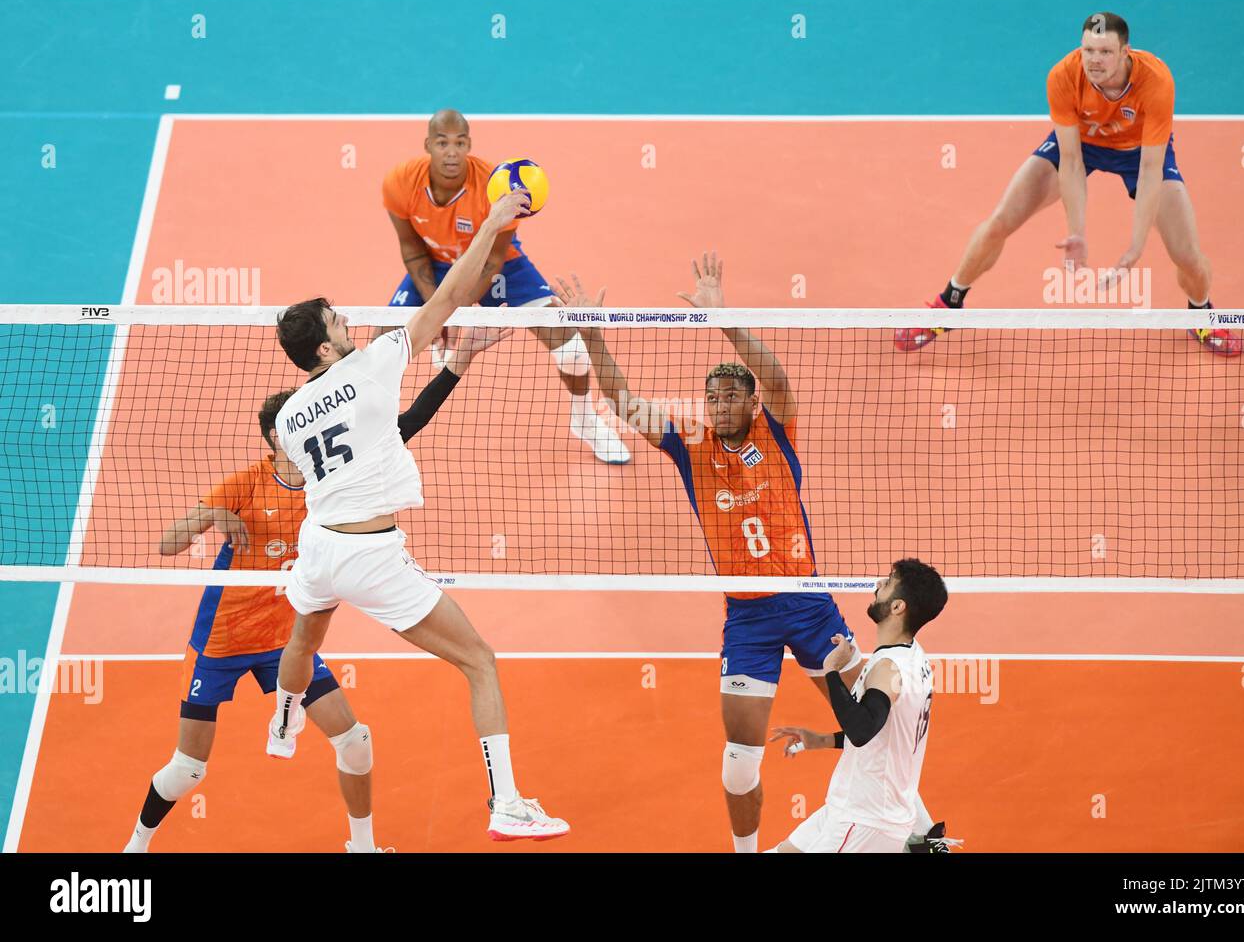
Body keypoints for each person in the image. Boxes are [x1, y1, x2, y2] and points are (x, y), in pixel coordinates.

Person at [124, 324, 508, 853]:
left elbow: (409, 422)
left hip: (286, 644)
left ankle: (362, 846)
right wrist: (214, 515)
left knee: (356, 741)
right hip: (222, 643)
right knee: (188, 770)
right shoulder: (245, 484)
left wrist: (457, 362)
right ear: (280, 438)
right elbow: (168, 543)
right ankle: (136, 846)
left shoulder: (335, 483)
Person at [270, 189, 568, 842]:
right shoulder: (373, 364)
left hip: (317, 546)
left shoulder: (290, 417)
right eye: (335, 321)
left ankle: (285, 719)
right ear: (322, 350)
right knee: (480, 662)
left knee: (303, 640)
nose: (346, 322)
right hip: (371, 559)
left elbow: (366, 443)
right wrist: (492, 224)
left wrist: (456, 364)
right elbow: (447, 299)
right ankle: (508, 804)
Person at [558, 253, 863, 853]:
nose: (720, 405)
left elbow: (773, 375)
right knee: (738, 762)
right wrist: (592, 336)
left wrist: (724, 319)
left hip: (810, 605)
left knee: (868, 725)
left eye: (731, 397)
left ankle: (920, 828)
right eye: (712, 397)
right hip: (747, 616)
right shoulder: (691, 445)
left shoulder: (776, 429)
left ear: (751, 404)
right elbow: (622, 402)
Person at [900, 11, 1241, 357]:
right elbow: (1072, 161)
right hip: (1082, 145)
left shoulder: (1155, 80)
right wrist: (1076, 231)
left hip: (1139, 154)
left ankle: (1201, 312)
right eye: (1088, 50)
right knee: (1000, 222)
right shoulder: (1064, 75)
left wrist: (1135, 248)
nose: (1094, 60)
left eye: (1105, 52)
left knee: (1188, 256)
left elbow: (1151, 168)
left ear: (1125, 52)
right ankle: (949, 304)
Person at [382, 108, 630, 463]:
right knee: (383, 338)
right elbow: (413, 252)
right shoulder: (400, 183)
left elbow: (493, 260)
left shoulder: (498, 185)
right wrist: (434, 312)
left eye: (459, 142)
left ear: (469, 144)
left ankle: (586, 421)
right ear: (428, 146)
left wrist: (452, 314)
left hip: (499, 266)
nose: (451, 151)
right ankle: (374, 426)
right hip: (436, 263)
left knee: (571, 347)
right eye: (442, 143)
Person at [769, 560, 958, 853]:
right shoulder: (915, 658)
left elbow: (862, 730)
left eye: (888, 582)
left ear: (898, 607)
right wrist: (822, 740)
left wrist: (832, 670)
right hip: (846, 809)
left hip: (864, 820)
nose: (878, 585)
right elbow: (883, 734)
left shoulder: (888, 669)